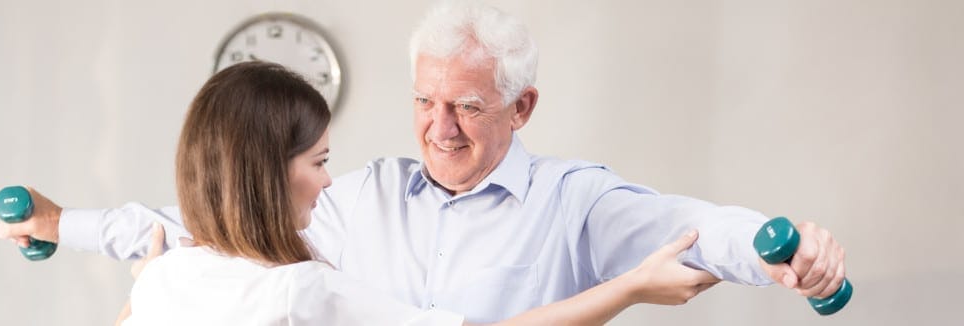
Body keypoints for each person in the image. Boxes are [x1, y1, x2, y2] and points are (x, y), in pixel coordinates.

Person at [0, 1, 848, 323]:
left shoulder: (573, 200)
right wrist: (60, 223)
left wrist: (788, 257)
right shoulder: (350, 201)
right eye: (424, 102)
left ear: (522, 107)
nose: (438, 128)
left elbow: (692, 228)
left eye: (467, 106)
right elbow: (203, 226)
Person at [114, 60, 719, 325]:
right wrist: (633, 288)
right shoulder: (302, 290)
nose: (328, 181)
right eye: (320, 161)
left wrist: (146, 279)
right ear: (265, 172)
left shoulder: (166, 278)